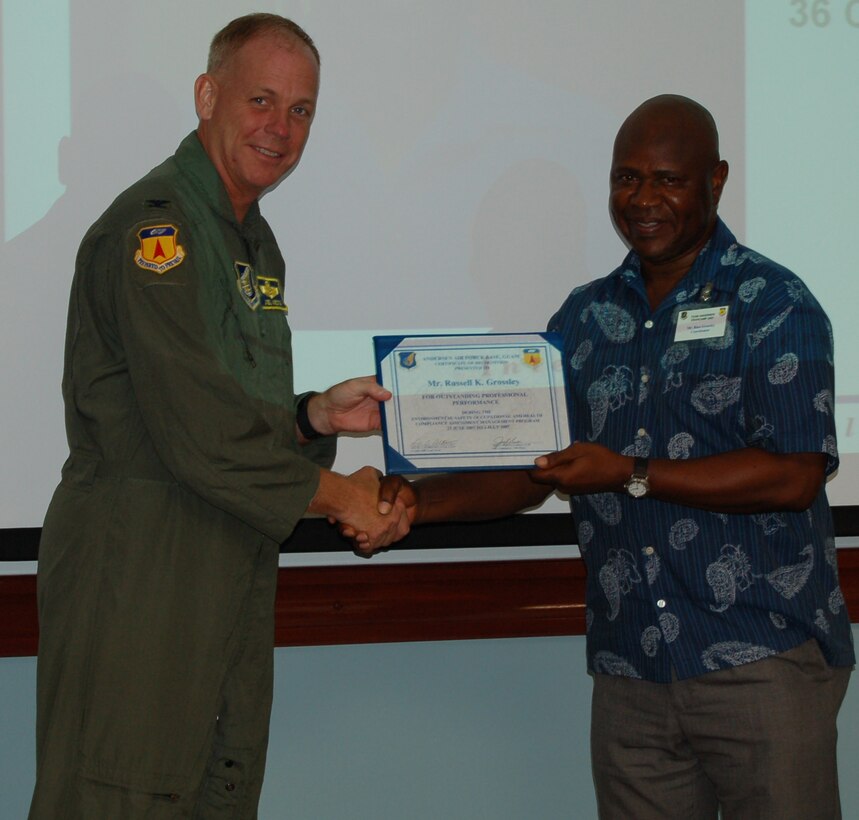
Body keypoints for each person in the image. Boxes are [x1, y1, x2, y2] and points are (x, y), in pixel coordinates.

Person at [366, 95, 855, 819]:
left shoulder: (774, 303)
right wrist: (410, 501)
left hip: (760, 662)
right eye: (626, 179)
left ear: (714, 181)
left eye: (667, 180)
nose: (643, 200)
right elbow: (529, 466)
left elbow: (793, 474)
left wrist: (627, 473)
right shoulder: (583, 317)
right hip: (630, 672)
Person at [30, 14, 408, 819]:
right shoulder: (156, 233)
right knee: (120, 797)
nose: (280, 127)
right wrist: (343, 497)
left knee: (219, 791)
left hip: (224, 569)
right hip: (141, 576)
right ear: (208, 96)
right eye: (261, 99)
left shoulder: (250, 242)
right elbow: (196, 434)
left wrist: (309, 418)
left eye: (301, 109)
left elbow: (228, 407)